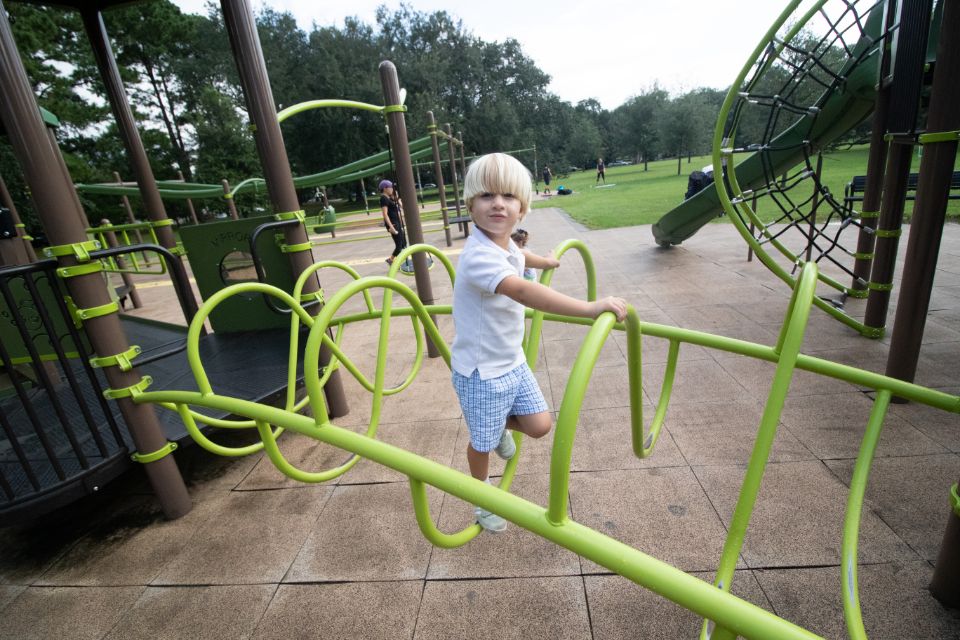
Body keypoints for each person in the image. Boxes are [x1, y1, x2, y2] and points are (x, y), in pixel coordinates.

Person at [451, 153, 627, 532]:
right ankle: (482, 499)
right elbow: (524, 292)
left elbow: (519, 255)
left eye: (508, 196)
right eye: (486, 195)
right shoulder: (478, 256)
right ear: (470, 205)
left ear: (522, 208)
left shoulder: (504, 244)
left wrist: (544, 262)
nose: (498, 203)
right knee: (480, 444)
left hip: (511, 361)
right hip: (482, 372)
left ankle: (499, 427)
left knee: (540, 424)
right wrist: (589, 308)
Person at [380, 180, 406, 264]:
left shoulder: (390, 198)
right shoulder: (383, 198)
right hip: (393, 224)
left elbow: (402, 207)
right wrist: (390, 226)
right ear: (385, 188)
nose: (392, 189)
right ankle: (391, 260)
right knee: (399, 246)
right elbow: (385, 214)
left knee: (403, 243)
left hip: (397, 222)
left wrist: (397, 198)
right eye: (390, 187)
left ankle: (391, 260)